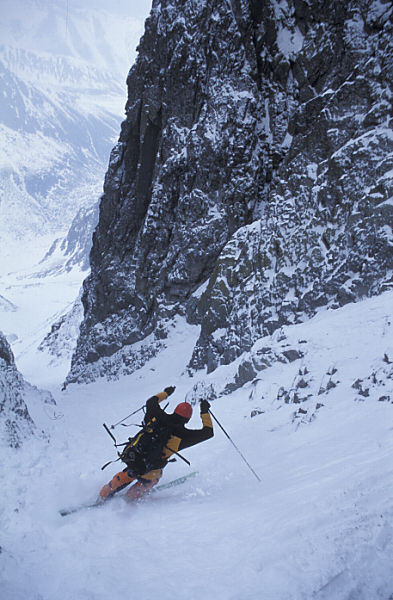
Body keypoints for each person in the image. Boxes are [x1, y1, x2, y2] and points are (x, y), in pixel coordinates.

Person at [99, 386, 214, 501]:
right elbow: (208, 433)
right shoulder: (183, 436)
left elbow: (151, 401)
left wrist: (166, 393)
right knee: (152, 479)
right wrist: (204, 411)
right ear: (187, 419)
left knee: (128, 473)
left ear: (175, 410)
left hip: (133, 457)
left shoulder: (156, 416)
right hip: (150, 470)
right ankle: (129, 499)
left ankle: (103, 494)